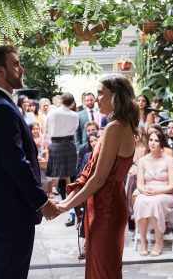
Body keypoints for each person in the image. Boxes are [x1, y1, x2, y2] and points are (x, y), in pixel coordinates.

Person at [0, 45, 57, 279]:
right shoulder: (1, 108)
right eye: (16, 64)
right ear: (0, 71)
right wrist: (42, 202)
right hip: (9, 211)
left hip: (2, 209)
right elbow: (16, 164)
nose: (21, 69)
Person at [58, 75, 138, 279]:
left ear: (116, 96)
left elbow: (98, 179)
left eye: (101, 92)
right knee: (104, 268)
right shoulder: (120, 124)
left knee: (103, 271)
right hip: (107, 205)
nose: (97, 97)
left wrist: (65, 206)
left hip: (107, 209)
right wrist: (67, 202)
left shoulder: (115, 128)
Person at [133, 129, 173, 256]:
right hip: (147, 192)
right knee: (140, 201)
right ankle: (143, 241)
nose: (152, 143)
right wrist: (144, 190)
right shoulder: (143, 160)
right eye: (151, 140)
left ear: (161, 143)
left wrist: (157, 191)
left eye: (156, 141)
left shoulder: (168, 160)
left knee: (155, 202)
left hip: (165, 193)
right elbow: (140, 184)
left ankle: (159, 242)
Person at [46, 92, 79, 212]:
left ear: (61, 101)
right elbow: (75, 128)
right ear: (71, 103)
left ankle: (50, 199)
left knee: (52, 173)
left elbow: (47, 128)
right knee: (68, 174)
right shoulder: (74, 115)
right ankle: (69, 199)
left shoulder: (52, 112)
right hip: (69, 144)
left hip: (55, 143)